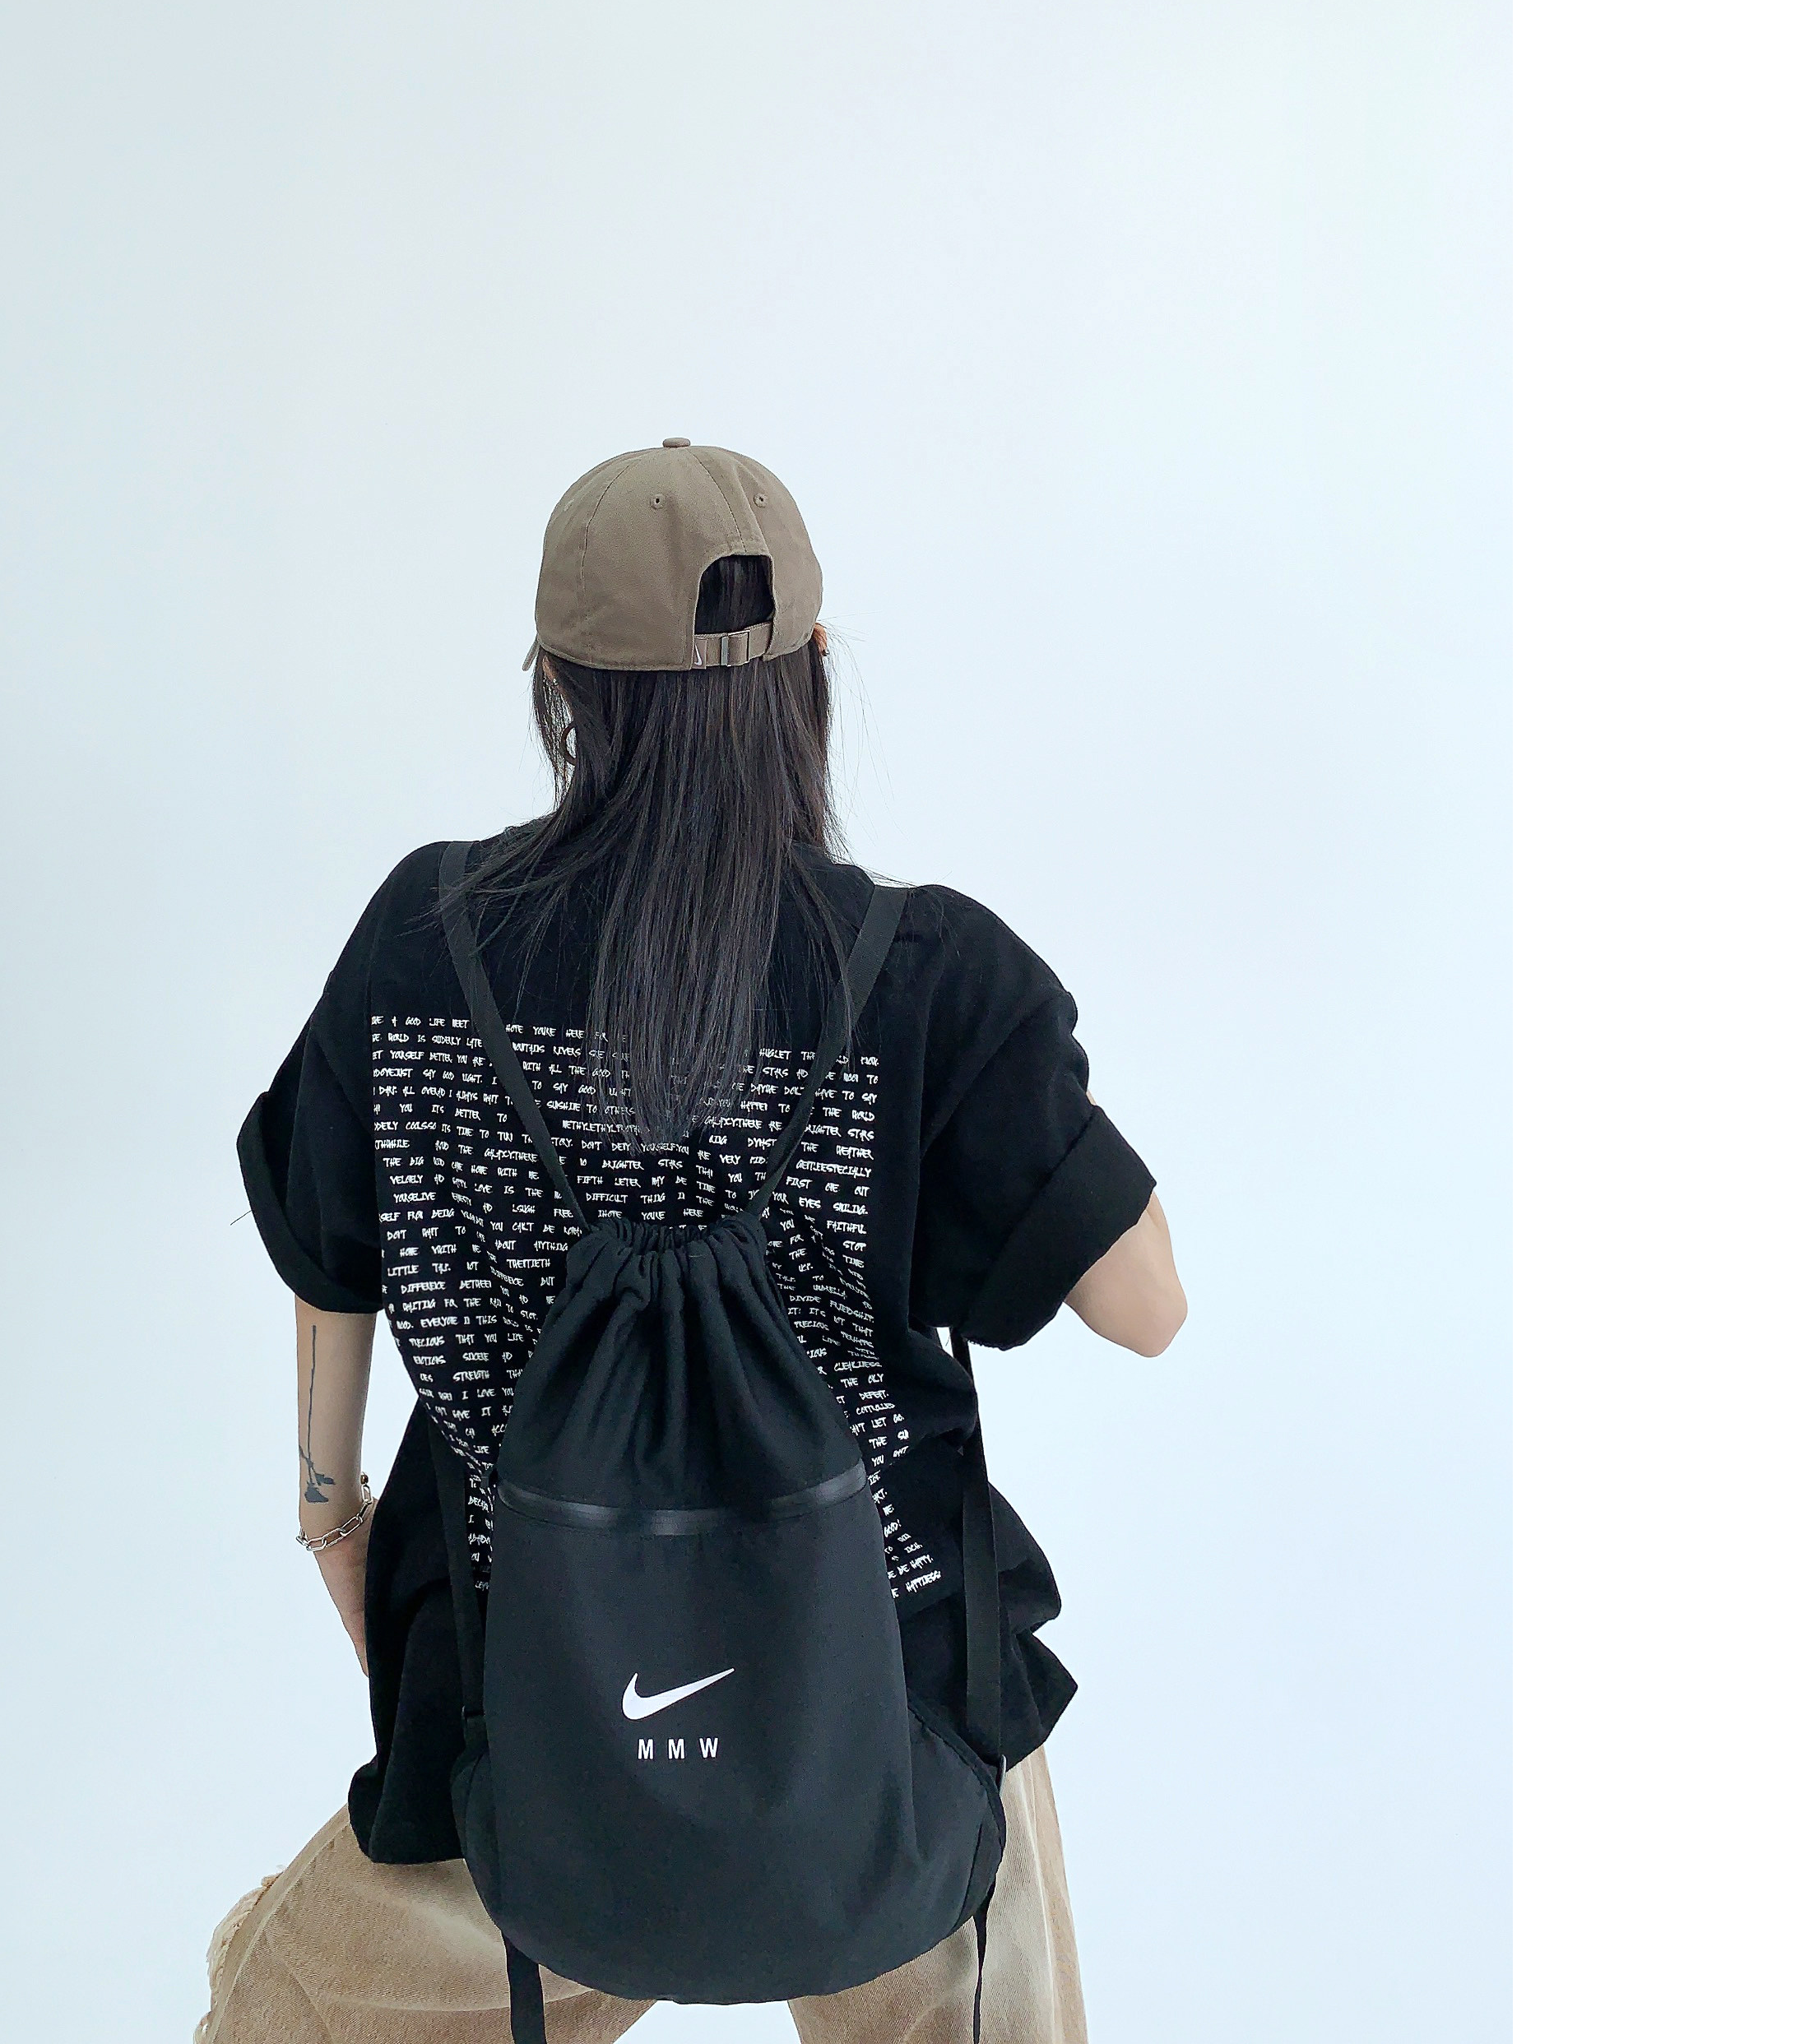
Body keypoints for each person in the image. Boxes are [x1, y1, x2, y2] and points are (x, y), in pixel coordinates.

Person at [205, 442, 1183, 2044]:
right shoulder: (929, 976)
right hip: (892, 1710)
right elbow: (1146, 1306)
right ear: (812, 671)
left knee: (274, 2012)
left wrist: (333, 1522)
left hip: (524, 1702)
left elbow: (326, 1251)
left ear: (556, 685)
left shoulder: (422, 945)